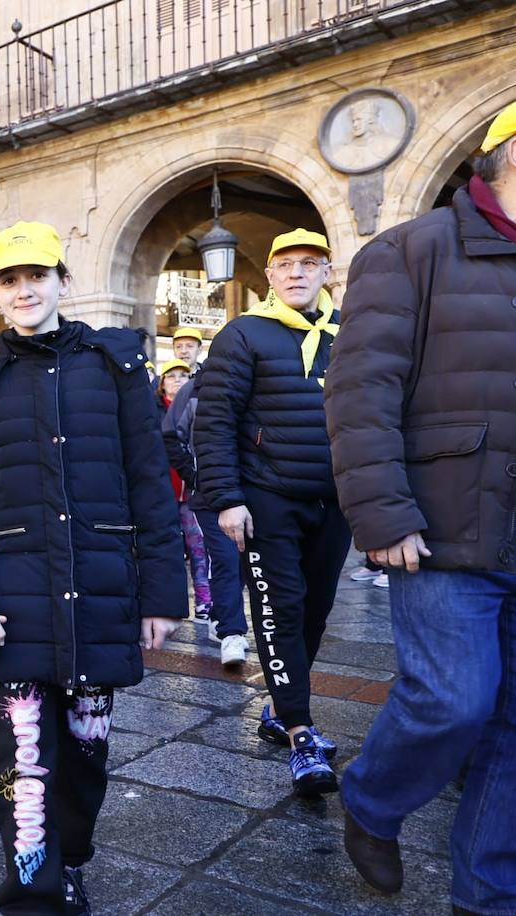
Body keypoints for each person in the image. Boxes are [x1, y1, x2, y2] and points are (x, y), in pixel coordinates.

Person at [0, 221, 186, 915]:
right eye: (9, 280)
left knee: (85, 753)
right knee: (22, 754)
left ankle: (71, 857)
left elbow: (150, 478)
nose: (24, 290)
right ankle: (33, 884)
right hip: (13, 594)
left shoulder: (114, 365)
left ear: (62, 282)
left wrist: (162, 594)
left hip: (102, 587)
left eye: (36, 276)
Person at [324, 101, 516, 911]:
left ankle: (487, 894)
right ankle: (370, 799)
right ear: (501, 159)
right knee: (452, 699)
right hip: (443, 526)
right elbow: (360, 390)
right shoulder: (409, 250)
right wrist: (384, 514)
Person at [194, 227, 350, 796]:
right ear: (269, 276)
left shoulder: (349, 332)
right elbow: (213, 423)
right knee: (280, 609)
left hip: (335, 499)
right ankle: (301, 733)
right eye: (285, 264)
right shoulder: (244, 334)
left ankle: (281, 708)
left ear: (327, 272)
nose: (297, 274)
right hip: (267, 499)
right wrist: (228, 499)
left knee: (316, 612)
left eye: (310, 264)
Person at [162, 359, 252, 668]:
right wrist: (195, 475)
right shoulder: (195, 388)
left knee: (243, 559)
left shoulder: (256, 383)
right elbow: (171, 434)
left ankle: (220, 614)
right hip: (209, 494)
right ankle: (232, 631)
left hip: (253, 491)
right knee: (224, 556)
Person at [158, 360, 214, 624]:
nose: (178, 379)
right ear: (162, 382)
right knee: (166, 552)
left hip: (190, 495)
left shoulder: (194, 403)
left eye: (183, 375)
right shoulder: (151, 411)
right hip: (162, 494)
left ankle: (205, 601)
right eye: (172, 375)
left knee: (199, 550)